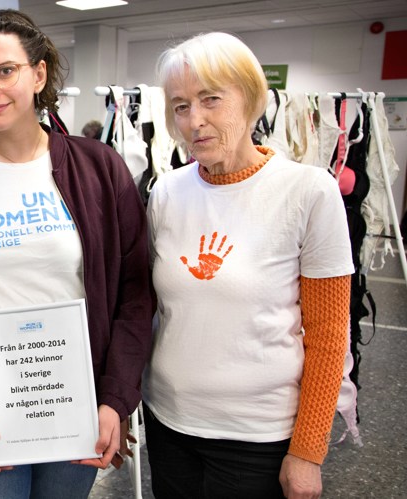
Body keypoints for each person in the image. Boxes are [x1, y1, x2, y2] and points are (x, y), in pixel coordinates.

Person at [0, 9, 153, 498]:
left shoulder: (99, 168)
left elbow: (135, 295)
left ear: (38, 74)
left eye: (5, 71)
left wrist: (115, 399)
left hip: (75, 377)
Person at [144, 32, 353, 499]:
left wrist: (308, 451)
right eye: (180, 106)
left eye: (210, 99)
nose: (194, 120)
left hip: (257, 437)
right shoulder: (166, 193)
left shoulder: (309, 192)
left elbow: (329, 336)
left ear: (252, 99)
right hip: (170, 422)